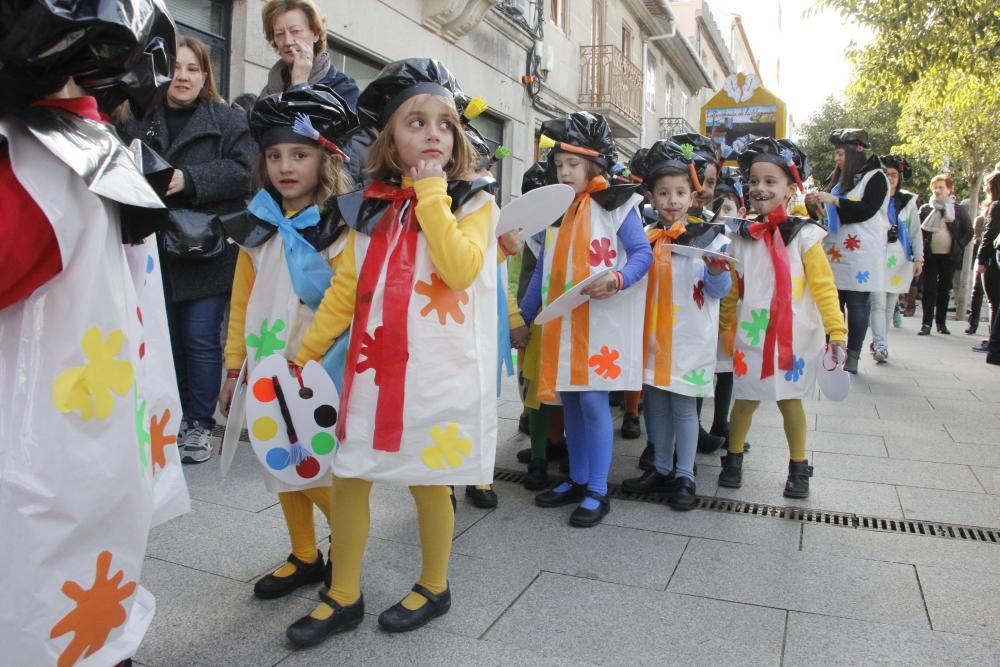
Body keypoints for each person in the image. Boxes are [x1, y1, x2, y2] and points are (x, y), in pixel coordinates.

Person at [0, 2, 190, 663]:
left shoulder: (40, 163)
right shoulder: (83, 150)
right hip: (84, 448)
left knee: (50, 611)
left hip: (45, 455)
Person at [289, 58, 499, 645]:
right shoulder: (368, 208)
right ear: (388, 140)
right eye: (416, 122)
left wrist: (432, 192)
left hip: (436, 373)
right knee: (350, 473)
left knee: (429, 478)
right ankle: (343, 593)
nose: (434, 132)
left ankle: (435, 584)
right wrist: (306, 351)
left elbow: (461, 268)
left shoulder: (474, 203)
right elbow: (345, 291)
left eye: (445, 123)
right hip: (372, 371)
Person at [216, 87, 356, 612]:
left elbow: (346, 299)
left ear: (326, 157)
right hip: (266, 365)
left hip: (318, 368)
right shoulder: (257, 226)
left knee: (316, 466)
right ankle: (304, 554)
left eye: (299, 154)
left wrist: (312, 357)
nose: (284, 166)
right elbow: (240, 301)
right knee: (280, 461)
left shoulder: (340, 226)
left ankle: (348, 548)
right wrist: (235, 367)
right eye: (274, 156)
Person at [126, 36, 257, 463]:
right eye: (175, 68)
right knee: (165, 341)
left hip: (207, 250)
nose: (182, 76)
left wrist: (191, 179)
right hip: (152, 248)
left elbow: (247, 171)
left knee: (200, 338)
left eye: (192, 68)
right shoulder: (139, 117)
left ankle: (199, 426)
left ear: (205, 75)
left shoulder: (225, 118)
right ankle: (171, 418)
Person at [519, 112, 653, 527]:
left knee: (593, 400)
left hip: (601, 327)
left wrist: (617, 277)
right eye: (559, 166)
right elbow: (544, 269)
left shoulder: (618, 205)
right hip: (564, 327)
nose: (564, 172)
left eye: (572, 165)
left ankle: (597, 488)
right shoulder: (557, 211)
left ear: (595, 165)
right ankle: (577, 479)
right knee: (572, 400)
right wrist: (522, 317)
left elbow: (642, 255)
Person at [718, 138, 847, 499]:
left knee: (790, 401)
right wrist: (726, 326)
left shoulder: (806, 237)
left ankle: (799, 467)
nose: (760, 188)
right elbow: (732, 287)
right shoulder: (741, 237)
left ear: (791, 188)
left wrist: (836, 330)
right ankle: (733, 457)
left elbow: (823, 287)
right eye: (754, 181)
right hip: (752, 332)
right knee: (744, 399)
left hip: (795, 333)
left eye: (770, 181)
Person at [620, 140, 731, 510]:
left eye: (680, 192)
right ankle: (662, 468)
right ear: (651, 195)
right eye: (664, 193)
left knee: (684, 408)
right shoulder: (643, 236)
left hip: (689, 339)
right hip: (652, 337)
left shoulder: (712, 236)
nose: (672, 200)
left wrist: (717, 271)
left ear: (693, 193)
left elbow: (719, 290)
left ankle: (686, 474)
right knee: (655, 405)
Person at [808, 129, 889, 374]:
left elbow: (865, 209)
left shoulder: (876, 177)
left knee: (856, 304)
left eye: (841, 153)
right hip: (834, 251)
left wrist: (834, 201)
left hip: (861, 254)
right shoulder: (839, 179)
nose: (837, 159)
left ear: (855, 153)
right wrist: (815, 205)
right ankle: (830, 351)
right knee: (833, 303)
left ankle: (852, 355)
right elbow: (825, 216)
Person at [516, 162, 569, 491]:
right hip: (542, 322)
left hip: (577, 324)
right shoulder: (542, 231)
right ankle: (539, 457)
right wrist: (522, 318)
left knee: (570, 393)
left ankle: (568, 450)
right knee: (536, 391)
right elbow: (536, 277)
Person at [700, 166, 746, 452]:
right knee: (702, 368)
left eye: (729, 207)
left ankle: (721, 421)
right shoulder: (705, 235)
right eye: (719, 208)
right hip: (706, 314)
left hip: (732, 318)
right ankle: (696, 426)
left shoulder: (744, 239)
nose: (724, 214)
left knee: (727, 370)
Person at [869, 155, 923, 362]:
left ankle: (879, 341)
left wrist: (919, 258)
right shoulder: (871, 198)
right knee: (878, 304)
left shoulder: (908, 201)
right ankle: (881, 346)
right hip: (875, 258)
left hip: (899, 259)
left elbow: (915, 232)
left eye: (893, 175)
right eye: (885, 174)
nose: (890, 179)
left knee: (889, 307)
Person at [259, 0, 359, 106]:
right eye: (279, 34)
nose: (287, 41)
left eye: (295, 31)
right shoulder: (271, 87)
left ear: (315, 33)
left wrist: (300, 86)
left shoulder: (342, 87)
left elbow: (313, 122)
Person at [917, 174, 974, 335]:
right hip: (930, 256)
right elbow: (919, 233)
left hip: (949, 257)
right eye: (935, 187)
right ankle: (926, 324)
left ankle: (941, 323)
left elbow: (968, 231)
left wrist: (959, 246)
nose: (937, 190)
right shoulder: (926, 209)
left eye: (941, 187)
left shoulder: (957, 209)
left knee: (944, 290)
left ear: (949, 190)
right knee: (929, 290)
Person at [976, 171, 1000, 355]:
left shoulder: (997, 206)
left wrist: (981, 259)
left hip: (993, 261)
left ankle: (994, 342)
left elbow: (989, 235)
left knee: (993, 303)